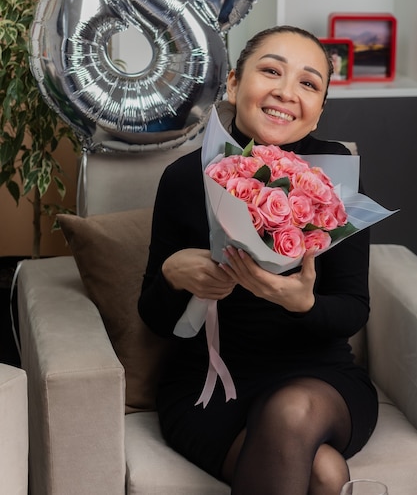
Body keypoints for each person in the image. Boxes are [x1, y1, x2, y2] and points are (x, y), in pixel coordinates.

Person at [138, 25, 378, 495]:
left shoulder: (334, 180)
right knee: (324, 474)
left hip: (319, 381)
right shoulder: (185, 178)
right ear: (233, 84)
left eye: (308, 83)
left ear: (319, 111)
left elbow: (353, 309)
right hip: (209, 386)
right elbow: (155, 320)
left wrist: (301, 303)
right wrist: (172, 275)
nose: (286, 92)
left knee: (291, 412)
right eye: (271, 71)